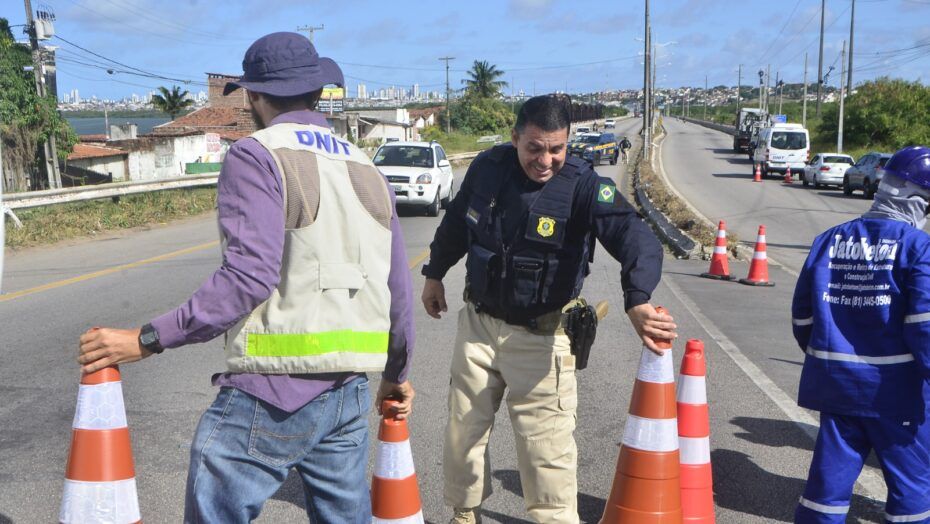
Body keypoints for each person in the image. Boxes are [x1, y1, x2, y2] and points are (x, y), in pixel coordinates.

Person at [77, 32, 416, 524]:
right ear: (318, 91)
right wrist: (397, 375)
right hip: (348, 393)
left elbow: (248, 277)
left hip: (271, 393)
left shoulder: (257, 154)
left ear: (254, 95)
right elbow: (397, 290)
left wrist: (147, 339)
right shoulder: (367, 167)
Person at [420, 94, 676, 524]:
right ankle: (464, 514)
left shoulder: (585, 184)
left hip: (542, 341)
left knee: (547, 457)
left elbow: (635, 235)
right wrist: (434, 274)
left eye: (556, 149)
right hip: (479, 328)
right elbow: (456, 225)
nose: (545, 160)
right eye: (535, 148)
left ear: (568, 142)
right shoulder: (488, 168)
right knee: (462, 436)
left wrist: (638, 298)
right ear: (516, 137)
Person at [791, 146, 930, 523]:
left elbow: (802, 319)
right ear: (918, 202)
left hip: (834, 387)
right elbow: (924, 329)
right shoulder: (919, 248)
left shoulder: (828, 240)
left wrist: (826, 355)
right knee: (913, 493)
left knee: (826, 491)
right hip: (896, 394)